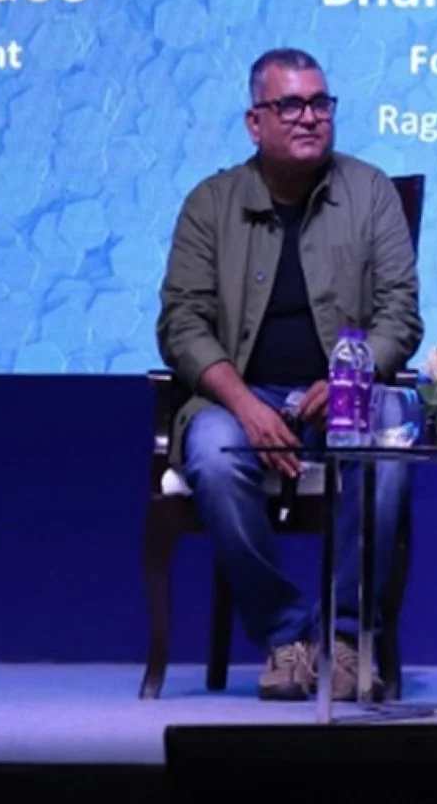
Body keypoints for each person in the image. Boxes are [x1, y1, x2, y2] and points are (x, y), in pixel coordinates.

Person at [157, 48, 419, 701]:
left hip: (345, 396)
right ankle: (286, 636)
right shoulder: (211, 203)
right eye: (291, 105)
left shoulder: (371, 190)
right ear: (255, 122)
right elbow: (181, 324)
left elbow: (400, 314)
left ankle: (350, 636)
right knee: (215, 455)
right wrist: (244, 405)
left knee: (387, 433)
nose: (310, 118)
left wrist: (353, 377)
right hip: (241, 397)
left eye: (321, 103)